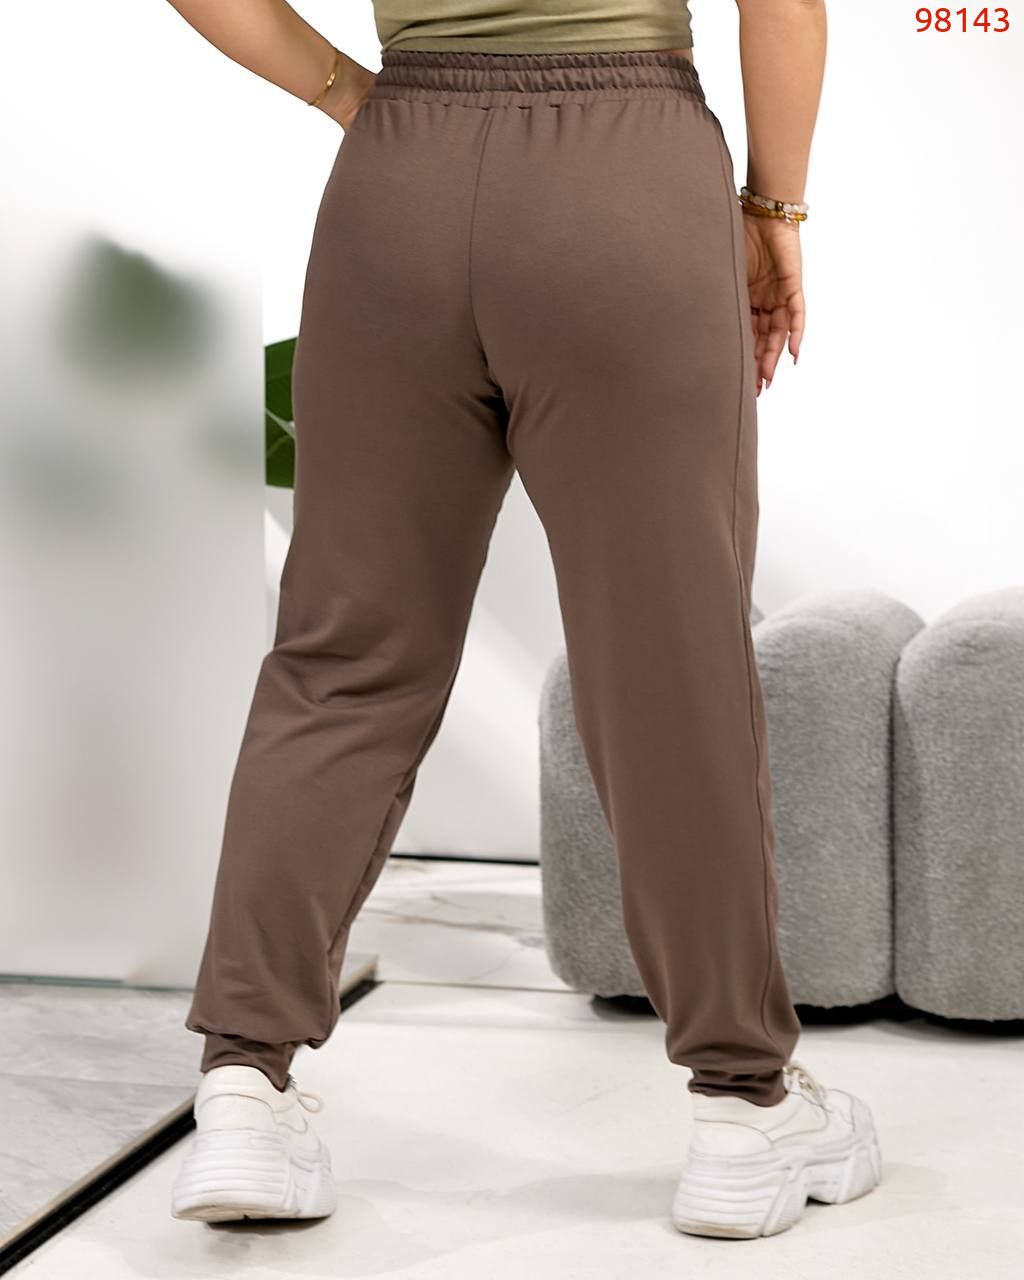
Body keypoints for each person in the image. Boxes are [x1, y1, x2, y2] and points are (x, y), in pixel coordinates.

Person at [166, 0, 881, 1240]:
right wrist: (774, 211)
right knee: (667, 665)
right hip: (626, 177)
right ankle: (741, 1104)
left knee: (343, 657)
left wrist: (345, 90)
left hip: (399, 184)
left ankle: (242, 1087)